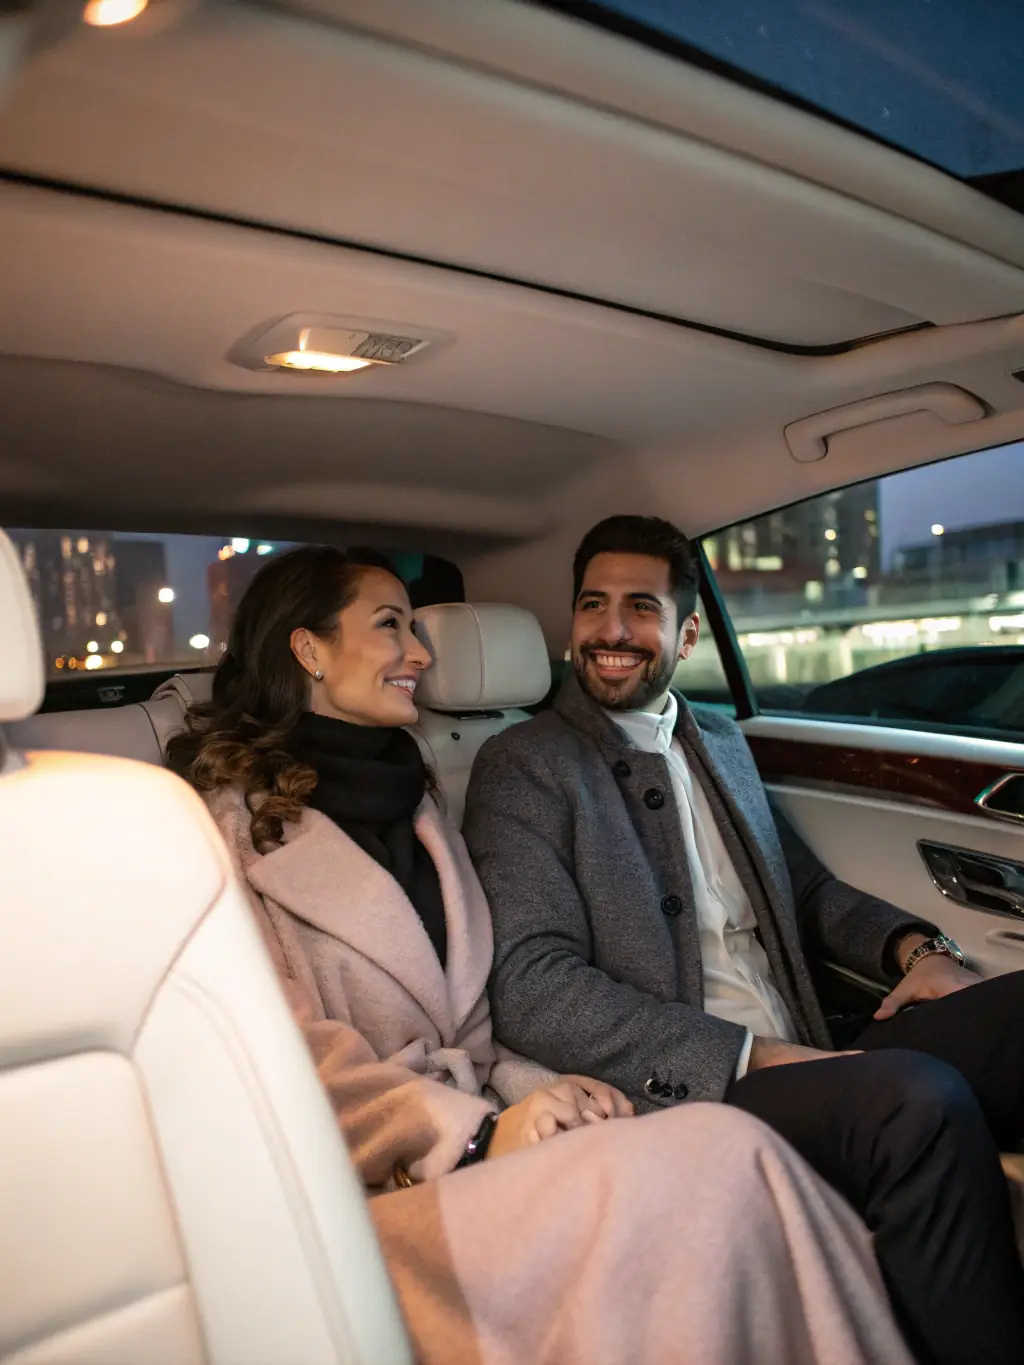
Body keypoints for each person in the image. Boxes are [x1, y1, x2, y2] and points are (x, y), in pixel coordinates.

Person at [167, 544, 914, 1365]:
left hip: (481, 1134)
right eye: (391, 627)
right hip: (364, 1192)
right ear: (307, 649)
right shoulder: (211, 835)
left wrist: (551, 1095)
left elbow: (478, 1019)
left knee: (742, 1163)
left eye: (416, 628)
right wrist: (481, 1135)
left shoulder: (417, 808)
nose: (420, 653)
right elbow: (282, 1067)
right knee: (721, 1166)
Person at [462, 514, 1024, 1365]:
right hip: (698, 1086)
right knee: (916, 1098)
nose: (611, 631)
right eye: (593, 605)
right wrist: (752, 1056)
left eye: (640, 607)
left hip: (815, 1039)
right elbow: (534, 983)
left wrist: (915, 947)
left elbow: (804, 889)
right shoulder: (526, 765)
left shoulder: (719, 738)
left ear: (687, 632)